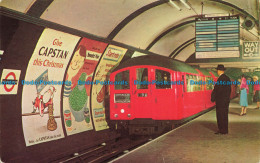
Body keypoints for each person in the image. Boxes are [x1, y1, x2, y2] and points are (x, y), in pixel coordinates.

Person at [211, 64, 231, 135]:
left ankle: (221, 130)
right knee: (225, 115)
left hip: (220, 101)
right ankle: (225, 130)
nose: (217, 72)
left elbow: (218, 90)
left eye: (217, 71)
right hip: (226, 101)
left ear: (219, 71)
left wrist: (213, 97)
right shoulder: (227, 78)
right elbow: (229, 90)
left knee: (220, 115)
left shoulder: (221, 78)